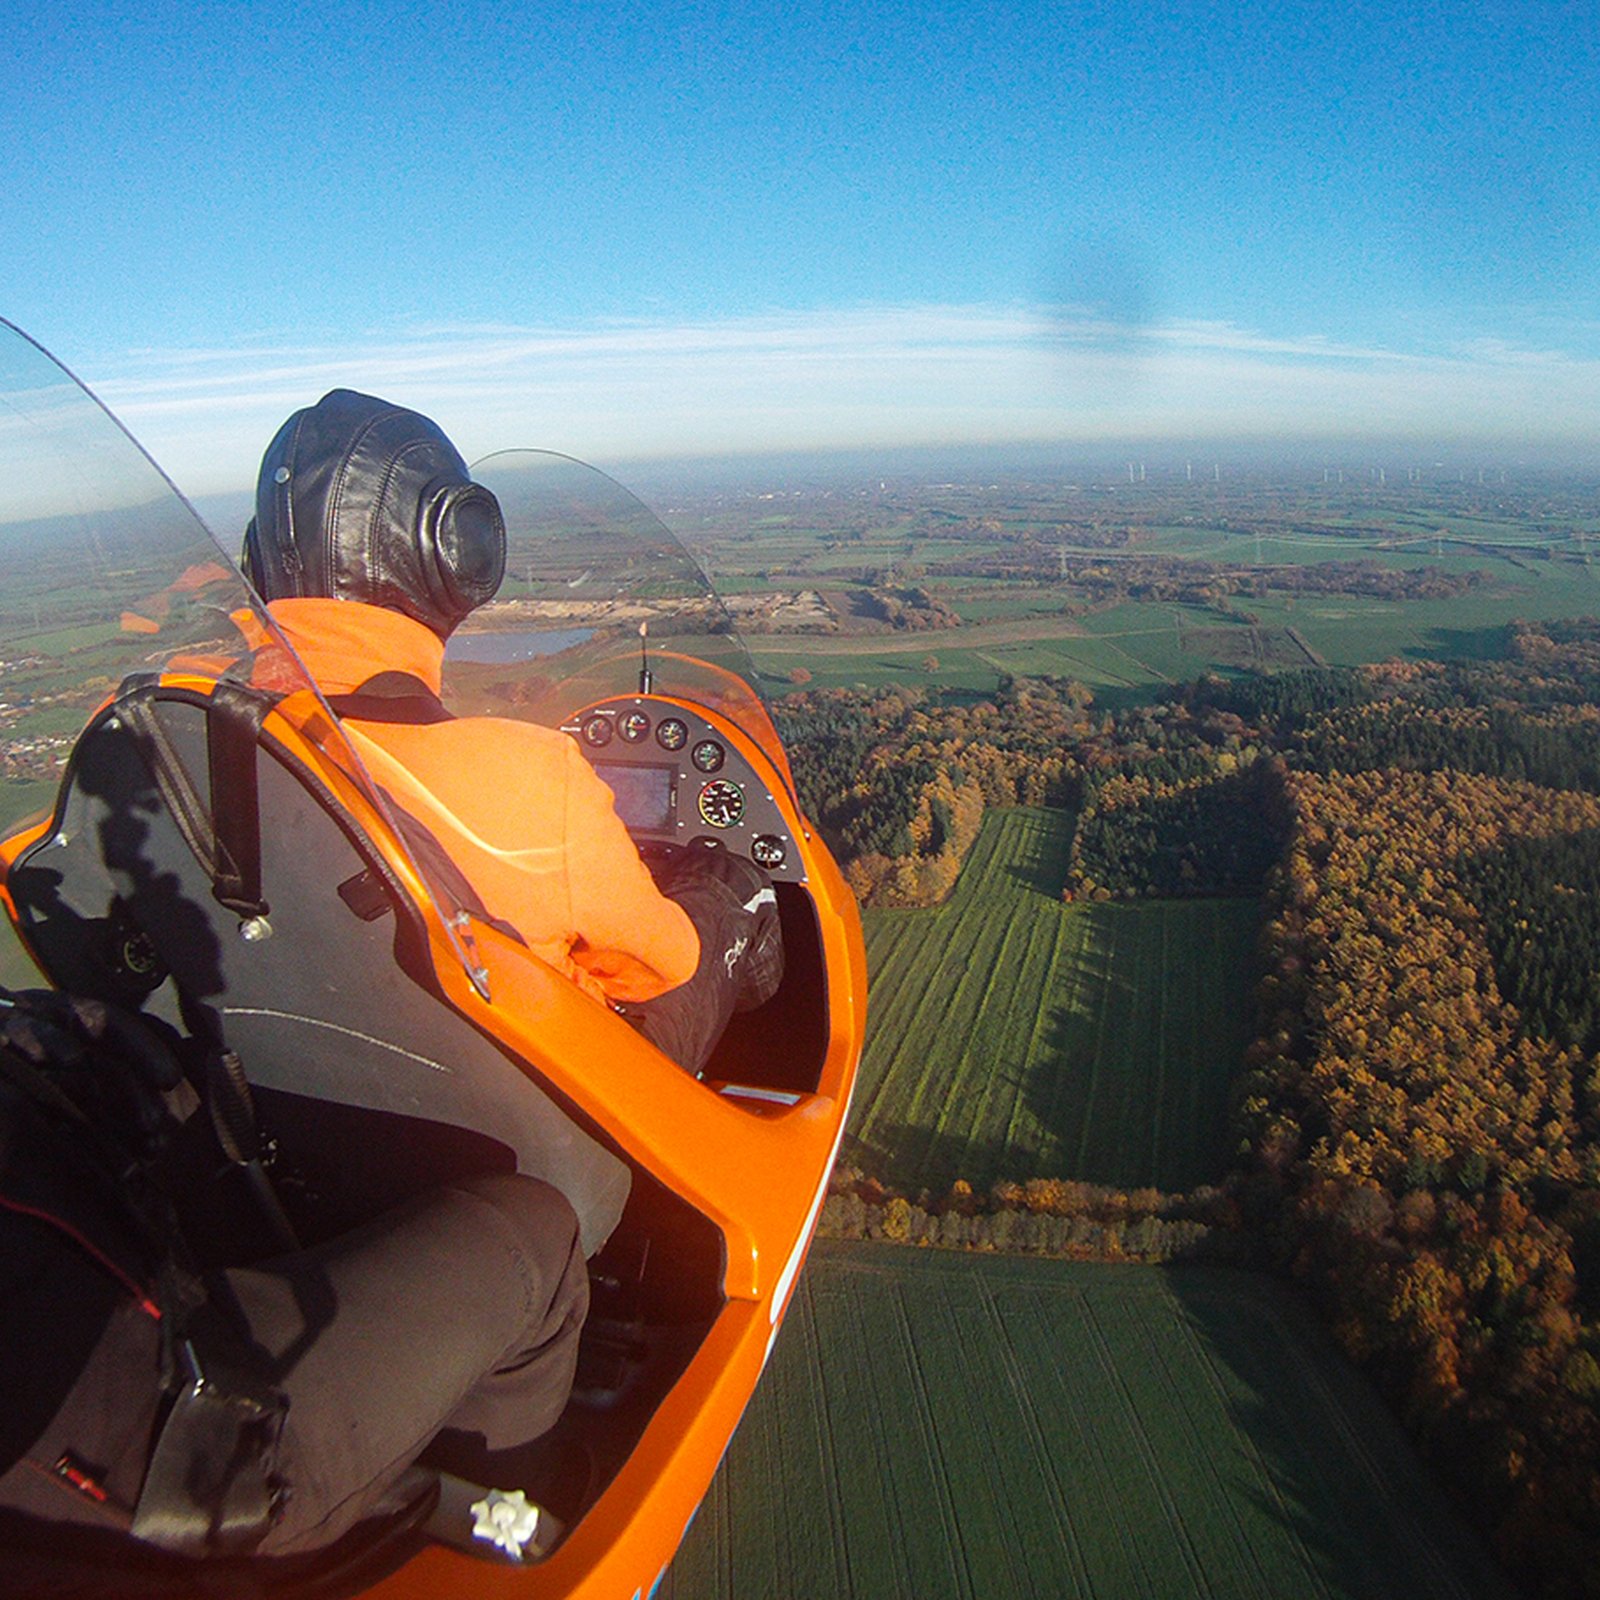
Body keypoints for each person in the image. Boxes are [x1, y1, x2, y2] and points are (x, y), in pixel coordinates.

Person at [238, 387, 781, 1075]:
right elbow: (656, 968)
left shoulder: (197, 747)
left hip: (307, 1092)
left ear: (258, 561)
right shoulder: (528, 777)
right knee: (729, 884)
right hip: (546, 1108)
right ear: (451, 552)